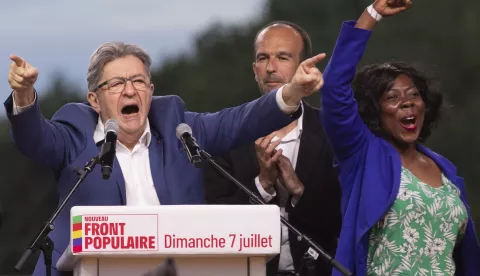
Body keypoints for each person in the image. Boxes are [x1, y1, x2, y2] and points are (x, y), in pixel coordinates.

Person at [5, 41, 327, 276]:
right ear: (94, 100)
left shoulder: (178, 129)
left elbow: (239, 121)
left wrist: (292, 91)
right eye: (116, 83)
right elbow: (36, 140)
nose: (130, 91)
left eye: (139, 81)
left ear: (151, 89)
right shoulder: (75, 133)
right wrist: (23, 96)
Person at [320, 0, 480, 275]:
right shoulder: (363, 155)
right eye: (392, 98)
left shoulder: (445, 169)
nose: (407, 103)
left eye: (414, 95)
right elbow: (333, 88)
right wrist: (372, 15)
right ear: (374, 111)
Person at [204, 21, 341, 276]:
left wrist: (300, 193)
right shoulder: (226, 133)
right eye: (263, 58)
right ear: (254, 69)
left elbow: (344, 217)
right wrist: (262, 187)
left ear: (306, 66)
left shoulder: (331, 133)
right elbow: (211, 219)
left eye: (283, 57)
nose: (270, 68)